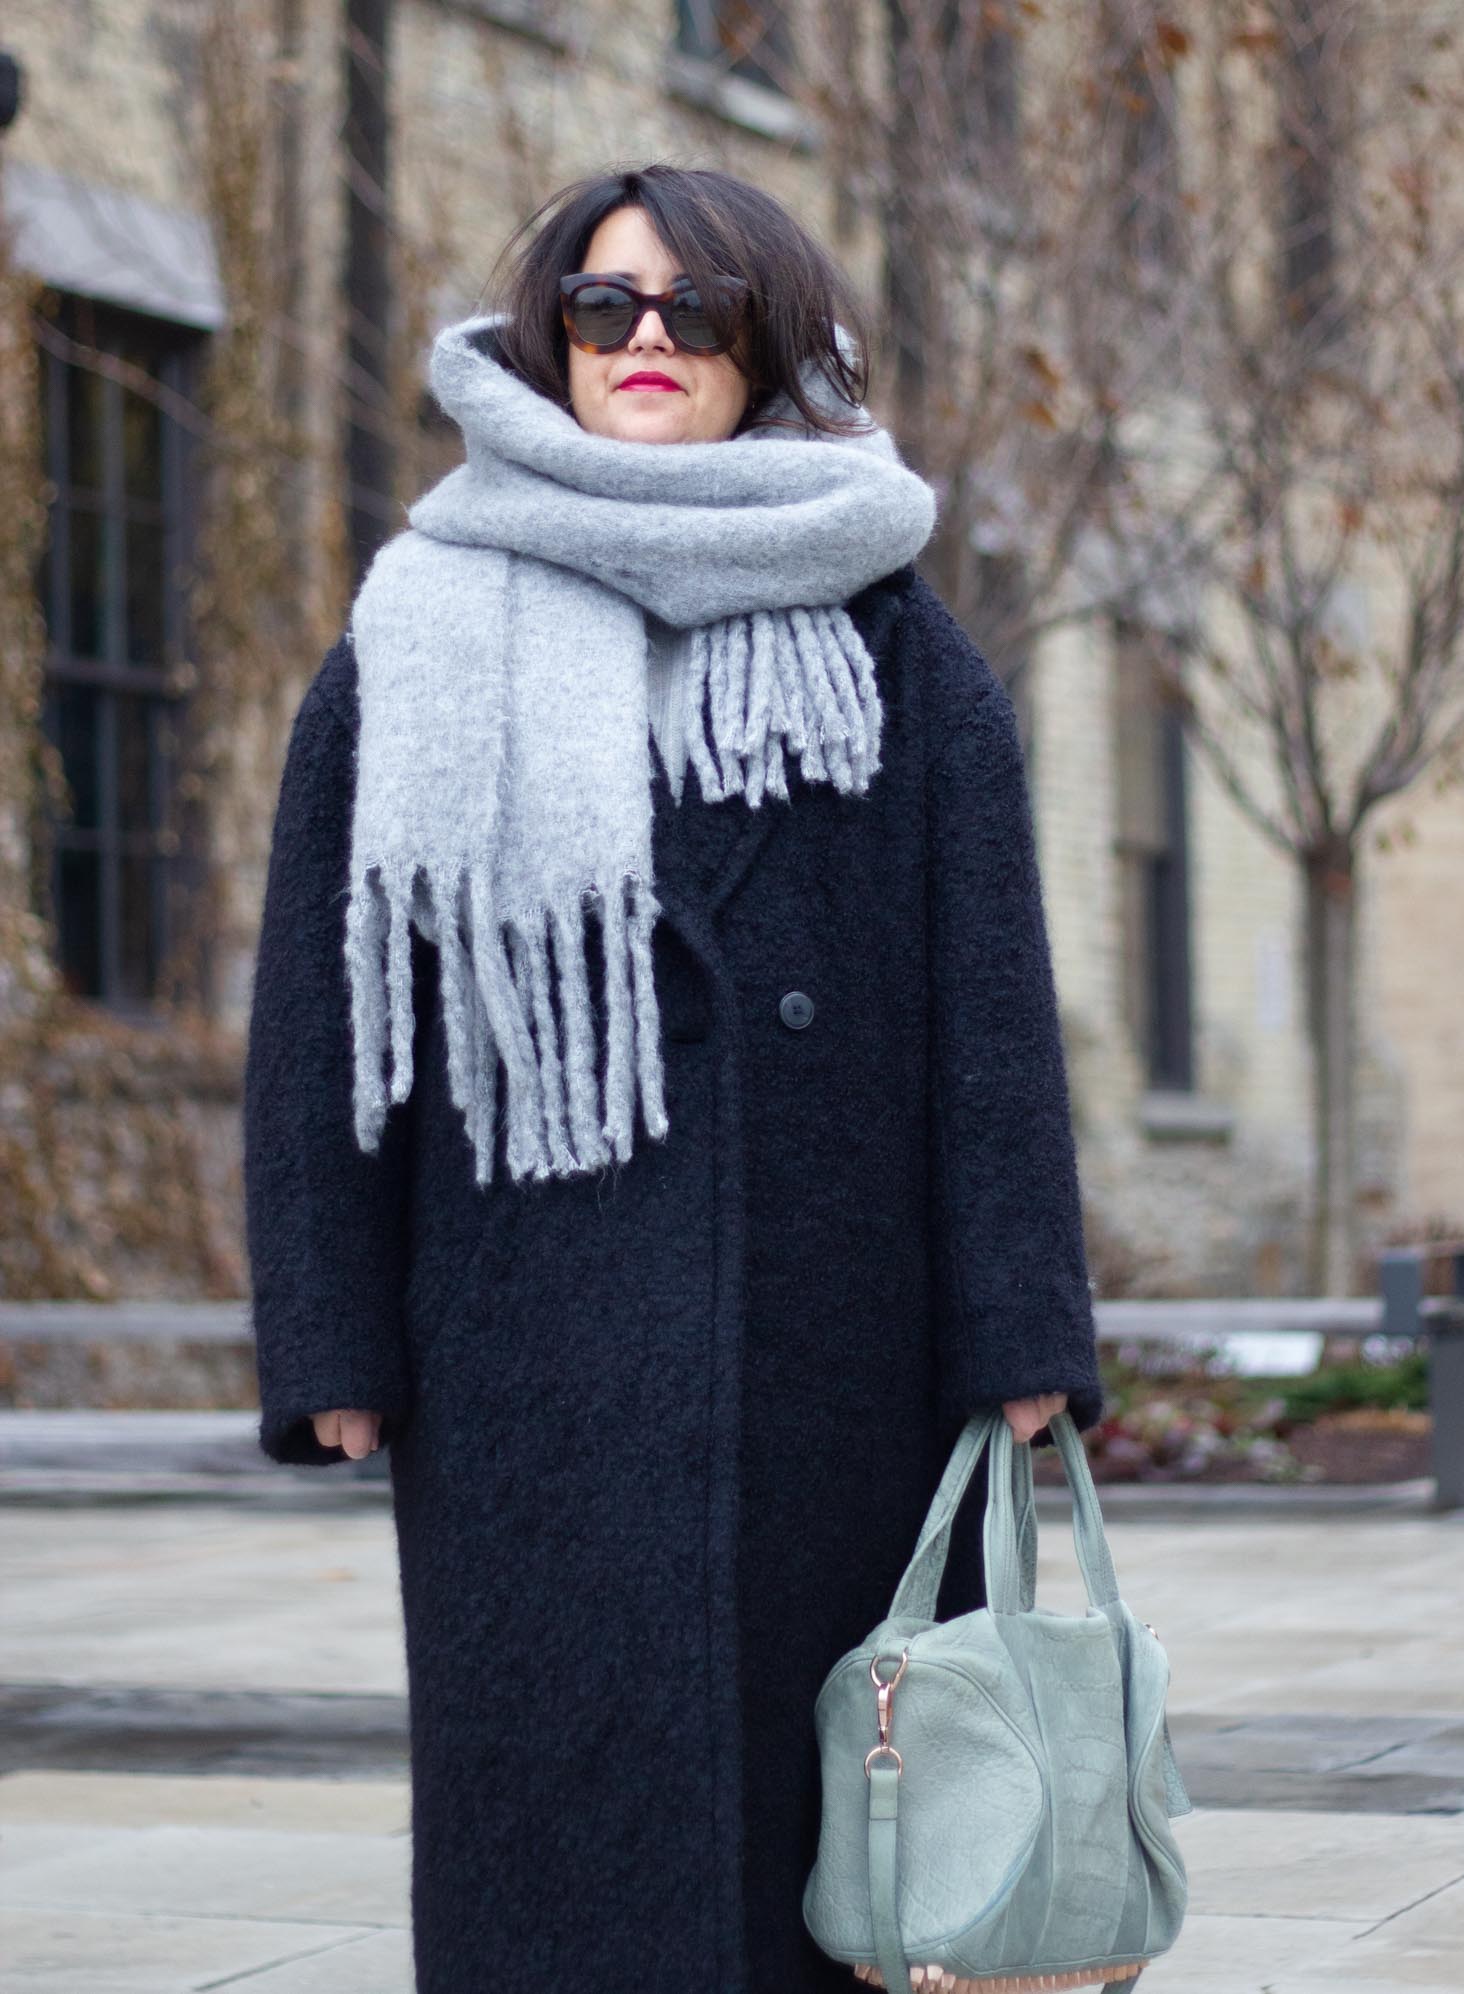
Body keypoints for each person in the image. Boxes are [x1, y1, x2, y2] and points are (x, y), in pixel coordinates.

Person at [243, 161, 1104, 1994]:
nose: (647, 340)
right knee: (556, 1823)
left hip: (837, 1353)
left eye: (696, 310)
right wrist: (333, 1336)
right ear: (549, 336)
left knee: (852, 1843)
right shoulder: (417, 628)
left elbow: (991, 1008)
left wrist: (1019, 1323)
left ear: (766, 342)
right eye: (605, 306)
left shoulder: (897, 641)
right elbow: (325, 1009)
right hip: (522, 1350)